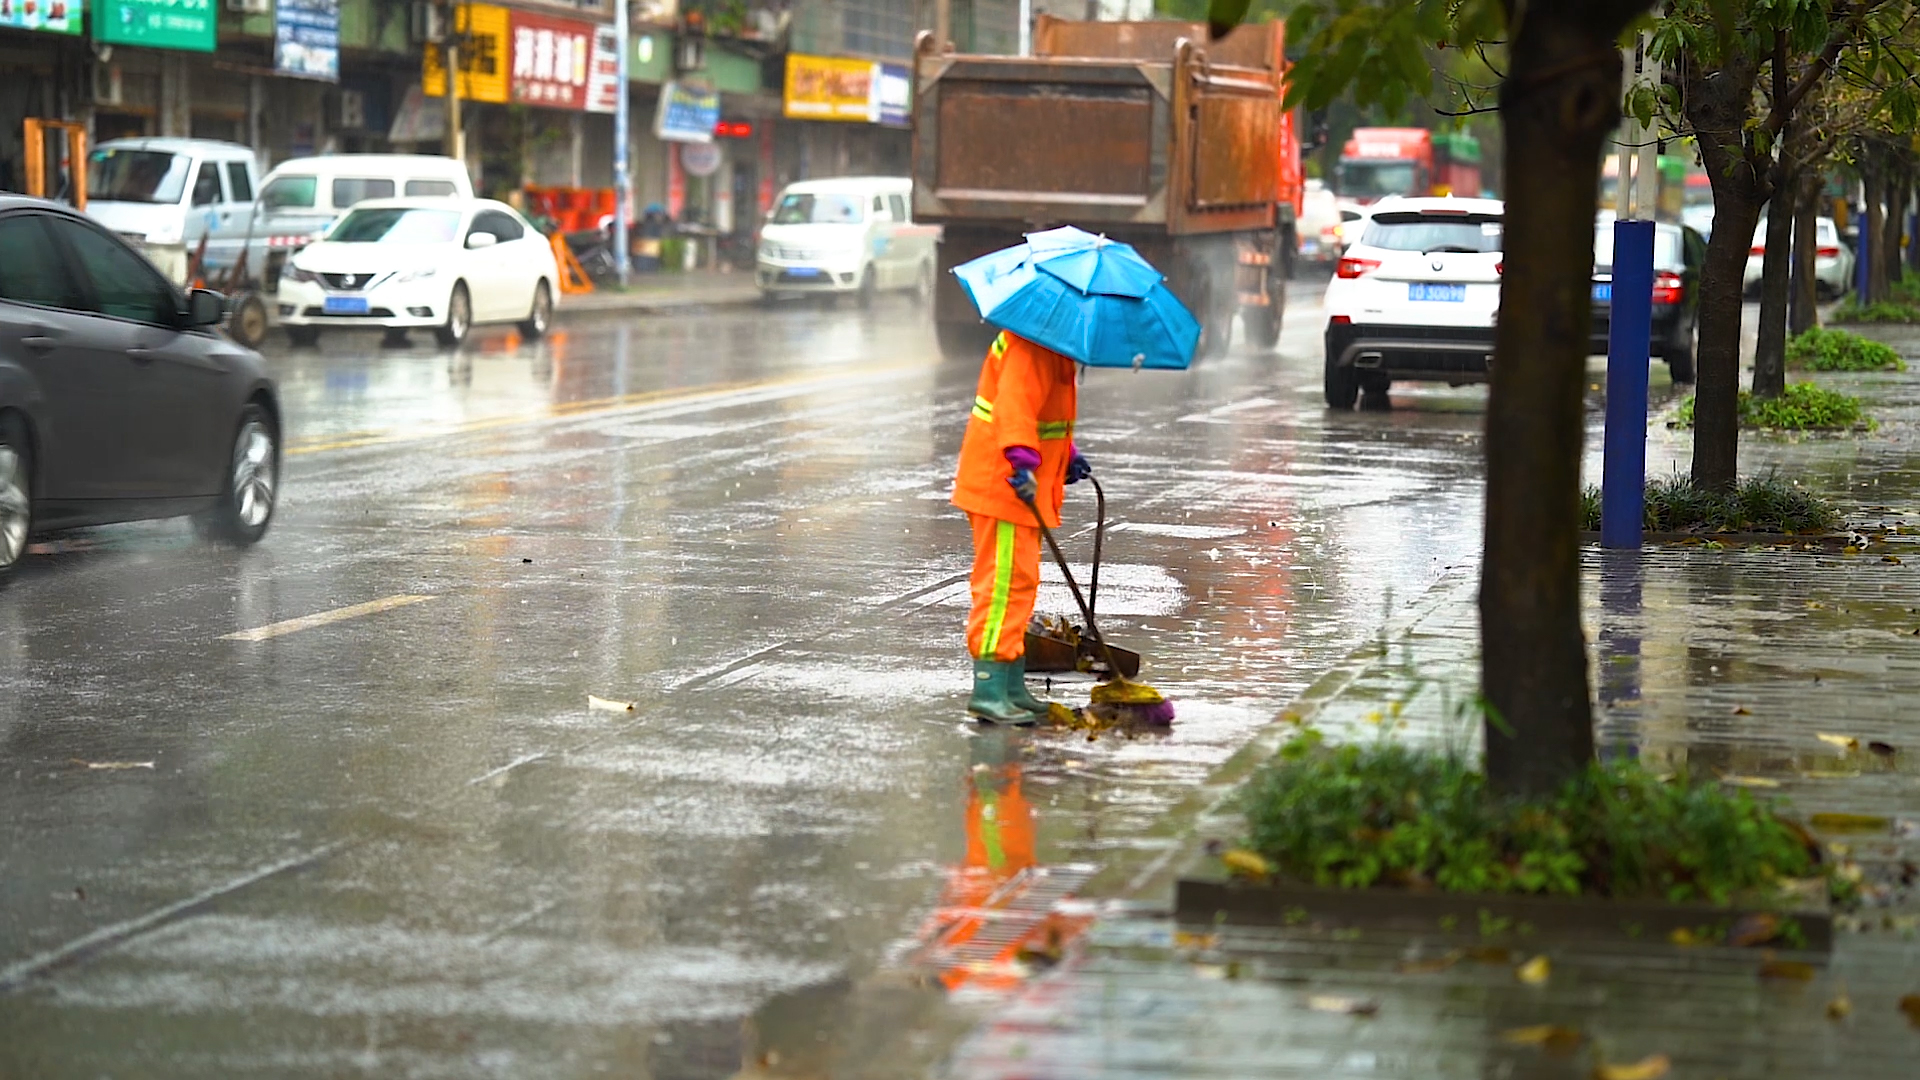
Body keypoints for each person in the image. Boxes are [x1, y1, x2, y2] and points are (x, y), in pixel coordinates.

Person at [950, 330, 1092, 724]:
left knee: (1021, 580)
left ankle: (1011, 684)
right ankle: (989, 688)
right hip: (1006, 485)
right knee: (1003, 585)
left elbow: (1042, 412)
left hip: (1018, 486)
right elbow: (1013, 408)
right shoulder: (1032, 345)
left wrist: (1066, 455)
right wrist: (1023, 460)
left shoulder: (1052, 346)